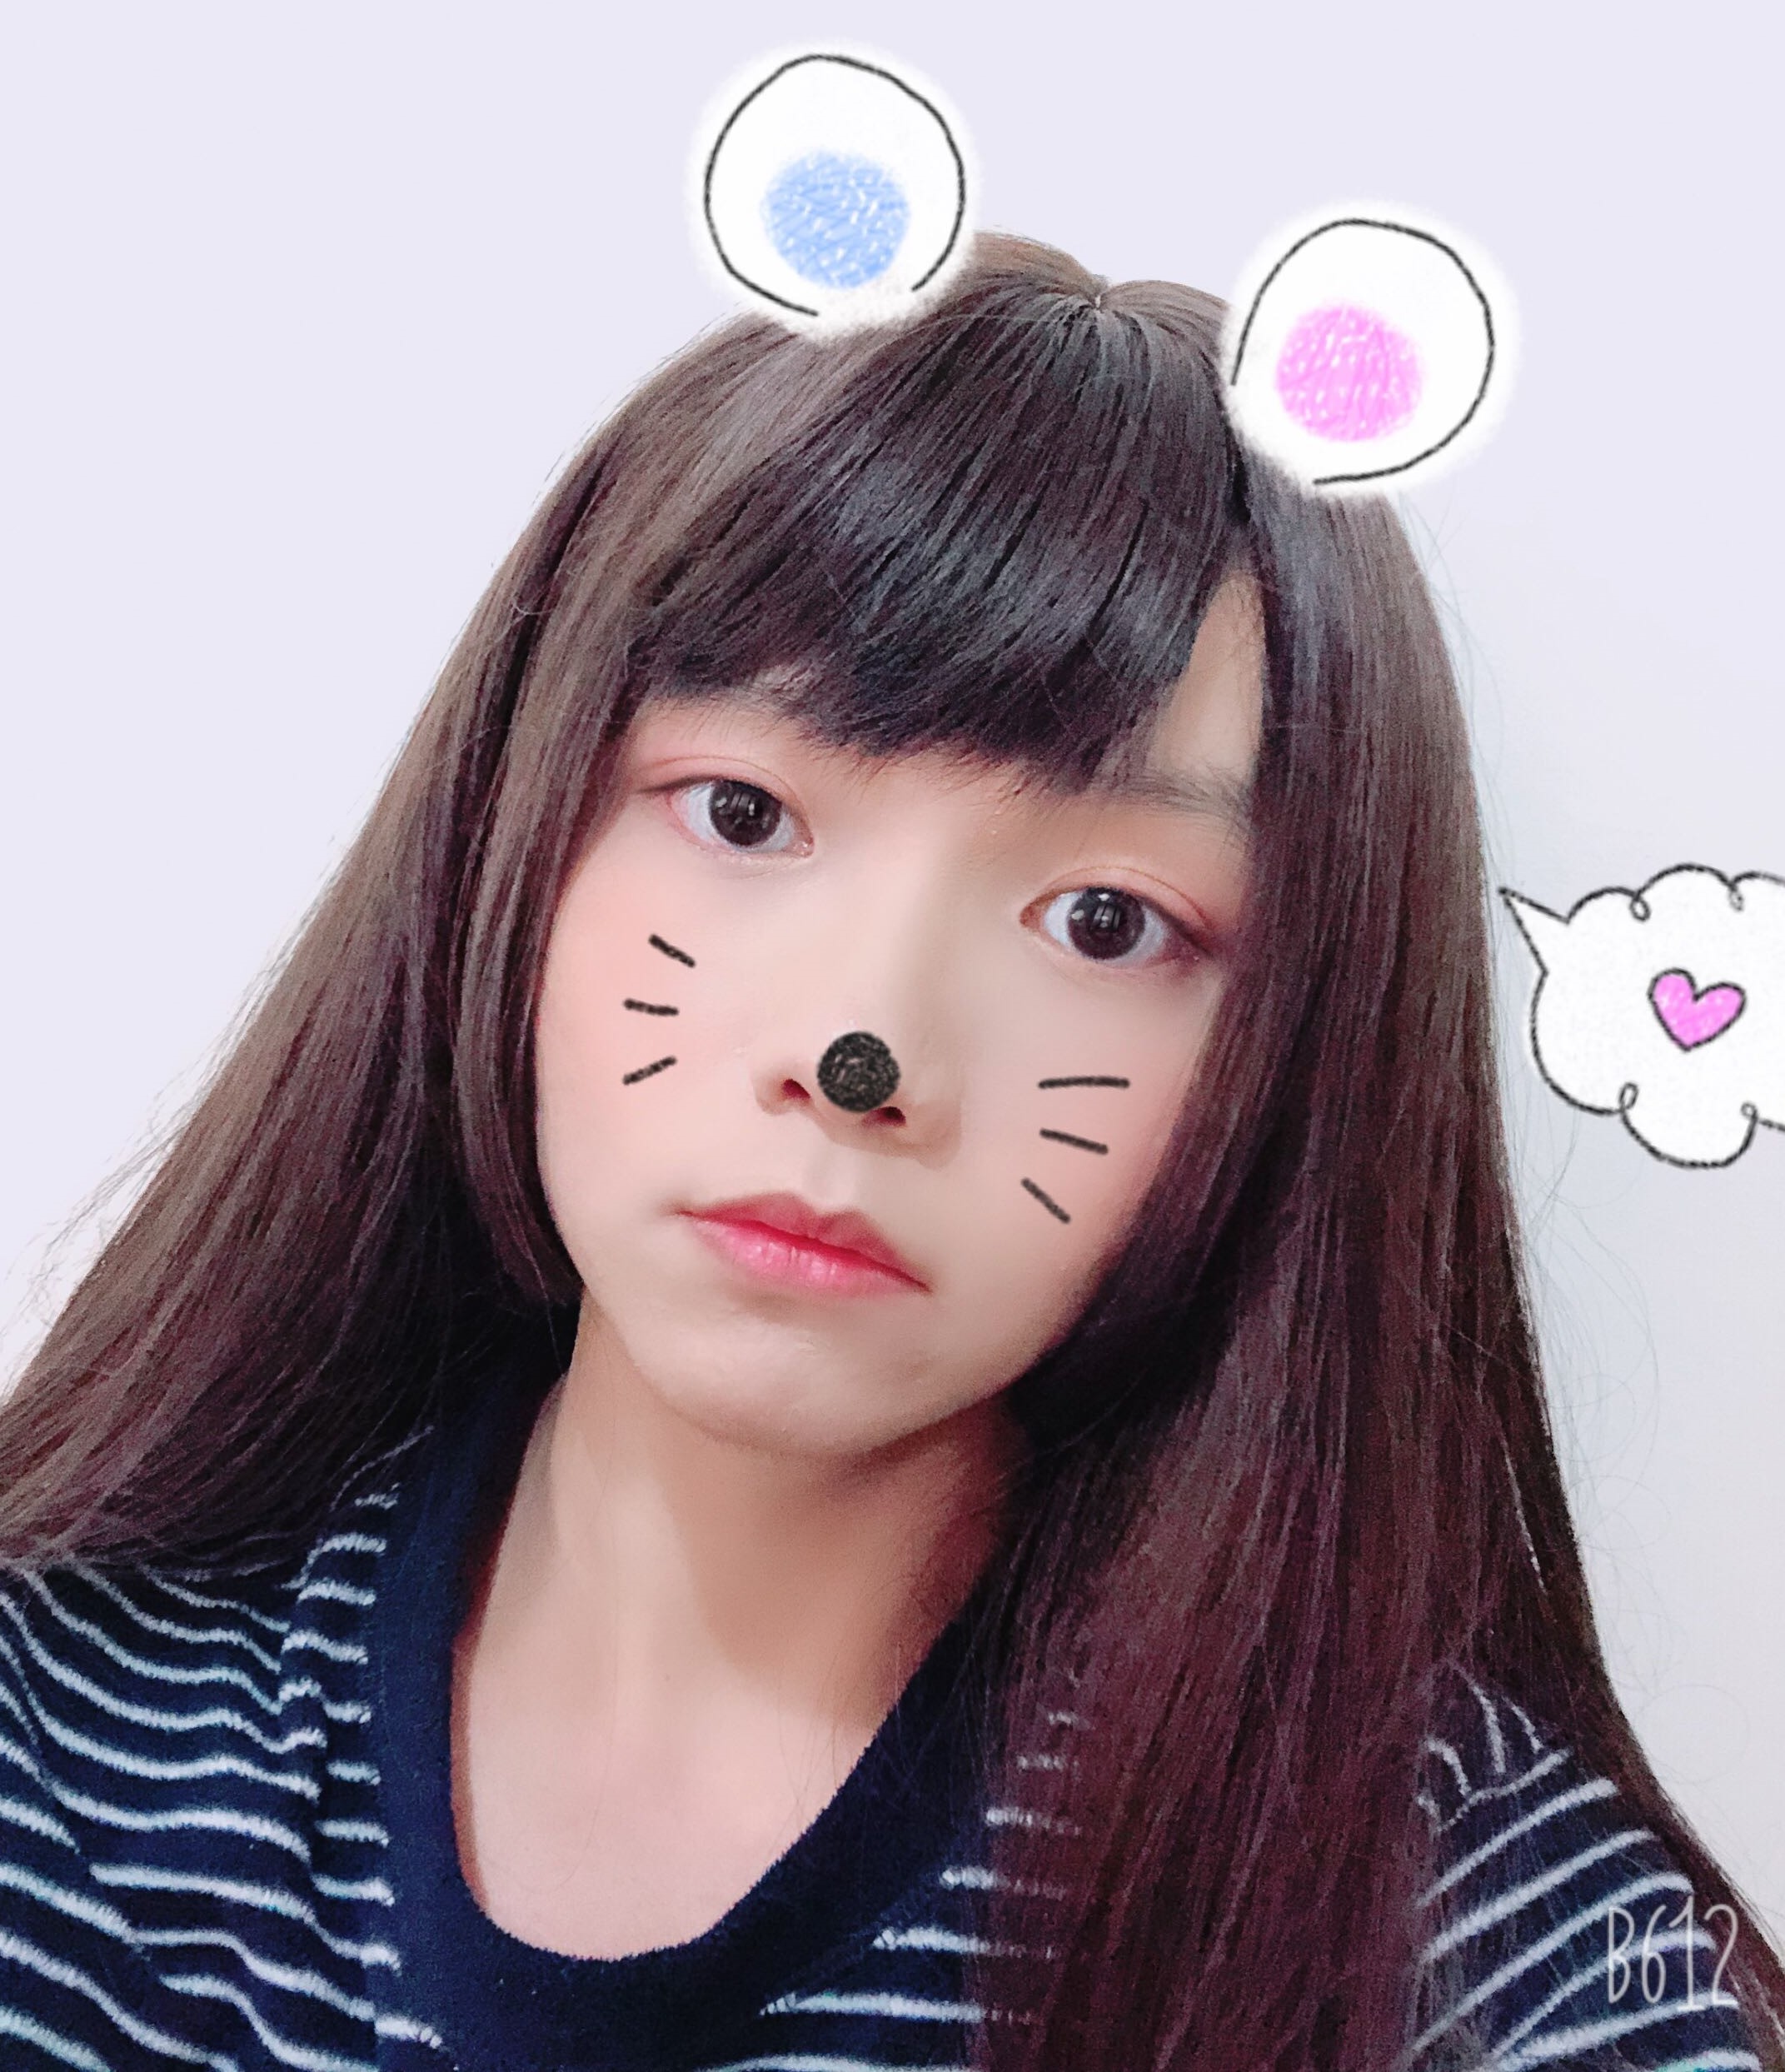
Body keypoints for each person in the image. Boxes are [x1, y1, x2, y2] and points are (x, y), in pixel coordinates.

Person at [0, 232, 1776, 2072]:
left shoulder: (1479, 1957)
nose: (864, 1055)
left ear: (1287, 1056)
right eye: (742, 811)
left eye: (1106, 921)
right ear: (508, 831)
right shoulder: (71, 1735)